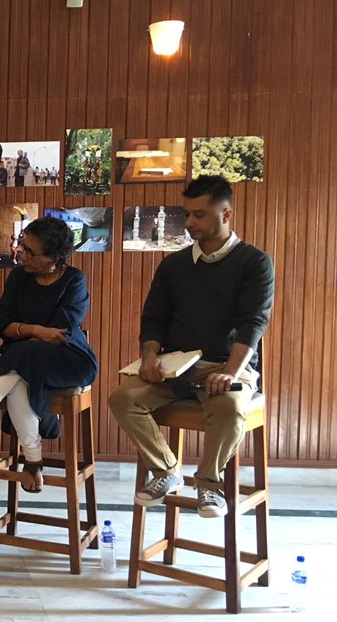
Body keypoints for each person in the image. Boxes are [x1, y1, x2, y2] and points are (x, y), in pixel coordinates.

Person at [109, 176, 274, 518]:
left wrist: (231, 371)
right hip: (176, 368)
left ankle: (209, 486)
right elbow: (153, 318)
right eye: (187, 214)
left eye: (199, 215)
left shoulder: (254, 263)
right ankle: (167, 471)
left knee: (229, 409)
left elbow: (254, 323)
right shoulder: (174, 265)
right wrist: (150, 356)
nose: (189, 223)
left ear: (226, 215)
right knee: (123, 398)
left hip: (226, 367)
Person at [0, 216, 97, 492]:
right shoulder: (18, 277)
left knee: (18, 358)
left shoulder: (74, 280)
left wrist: (22, 335)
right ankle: (33, 463)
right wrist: (34, 329)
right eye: (23, 246)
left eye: (31, 252)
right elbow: (4, 327)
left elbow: (59, 334)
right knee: (20, 374)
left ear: (54, 258)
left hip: (70, 360)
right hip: (24, 360)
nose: (22, 254)